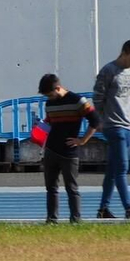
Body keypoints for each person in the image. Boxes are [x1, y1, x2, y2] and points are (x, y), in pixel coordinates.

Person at [38, 74, 99, 224]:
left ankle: (75, 220)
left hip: (69, 152)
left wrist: (82, 140)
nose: (49, 98)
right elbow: (50, 123)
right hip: (51, 149)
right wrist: (39, 135)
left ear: (58, 88)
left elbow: (95, 120)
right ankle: (51, 219)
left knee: (71, 188)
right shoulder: (49, 104)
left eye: (50, 94)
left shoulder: (78, 101)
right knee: (51, 188)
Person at [92, 41, 130, 218]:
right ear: (125, 53)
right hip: (114, 125)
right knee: (122, 167)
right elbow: (98, 97)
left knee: (113, 169)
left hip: (128, 124)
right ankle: (128, 207)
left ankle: (103, 209)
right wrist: (101, 119)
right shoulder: (109, 71)